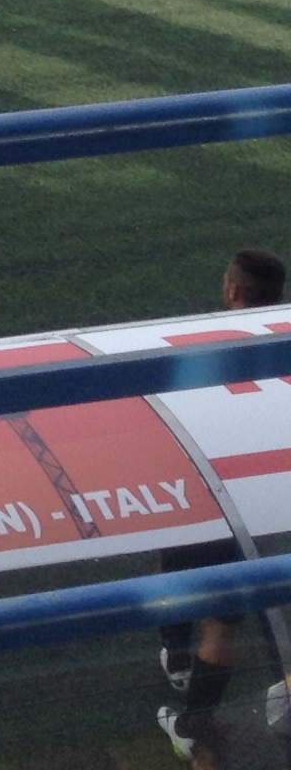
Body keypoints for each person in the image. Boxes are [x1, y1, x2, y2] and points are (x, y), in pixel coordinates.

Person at [155, 248, 287, 760]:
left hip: (204, 485)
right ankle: (192, 724)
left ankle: (177, 658)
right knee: (225, 624)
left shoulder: (202, 338)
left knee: (171, 563)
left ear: (233, 290)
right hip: (264, 498)